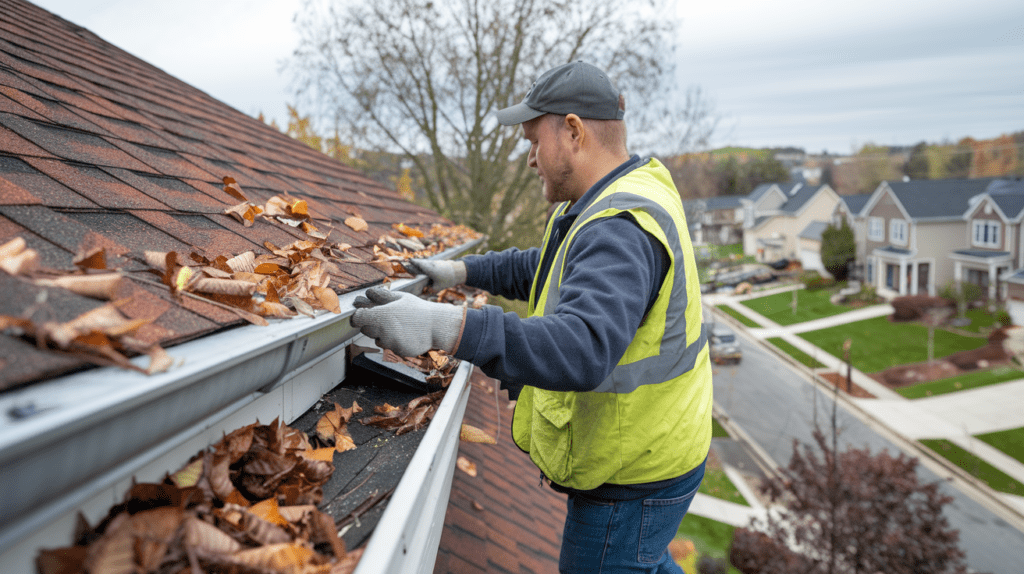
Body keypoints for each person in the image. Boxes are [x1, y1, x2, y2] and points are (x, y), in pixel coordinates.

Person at [352, 60, 712, 573]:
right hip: (657, 448)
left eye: (532, 141)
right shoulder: (613, 200)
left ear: (572, 131)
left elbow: (581, 348)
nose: (529, 160)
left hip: (634, 474)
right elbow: (541, 269)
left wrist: (444, 327)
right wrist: (459, 271)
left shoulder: (619, 227)